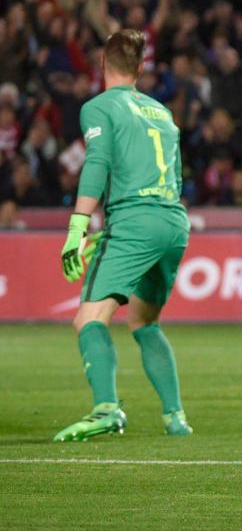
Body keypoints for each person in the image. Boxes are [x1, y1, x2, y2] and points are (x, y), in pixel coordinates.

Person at [54, 29, 192, 442]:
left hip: (134, 223)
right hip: (172, 223)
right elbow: (178, 174)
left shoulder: (98, 107)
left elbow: (96, 162)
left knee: (88, 318)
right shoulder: (162, 113)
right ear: (140, 68)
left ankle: (107, 409)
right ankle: (175, 418)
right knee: (144, 321)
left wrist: (78, 226)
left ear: (102, 65)